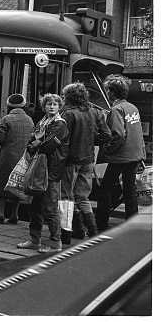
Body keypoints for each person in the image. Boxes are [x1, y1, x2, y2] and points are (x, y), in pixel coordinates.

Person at [60, 83, 111, 243]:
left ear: (69, 97)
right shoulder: (96, 112)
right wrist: (90, 141)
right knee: (83, 196)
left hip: (70, 160)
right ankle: (93, 231)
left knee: (66, 197)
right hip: (88, 158)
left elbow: (63, 139)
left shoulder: (68, 113)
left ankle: (70, 232)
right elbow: (106, 135)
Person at [17, 93, 69, 253]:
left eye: (55, 104)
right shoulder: (43, 122)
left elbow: (47, 146)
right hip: (40, 169)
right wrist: (36, 143)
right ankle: (35, 239)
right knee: (34, 206)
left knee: (50, 208)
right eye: (49, 104)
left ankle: (55, 243)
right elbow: (31, 141)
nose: (52, 107)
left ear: (60, 107)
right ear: (44, 106)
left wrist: (36, 144)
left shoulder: (60, 125)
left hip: (51, 171)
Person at [96, 74, 146, 231]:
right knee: (130, 191)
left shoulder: (116, 109)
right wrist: (141, 154)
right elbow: (137, 133)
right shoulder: (132, 107)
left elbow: (118, 134)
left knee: (105, 190)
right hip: (134, 155)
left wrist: (108, 149)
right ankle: (132, 225)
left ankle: (101, 225)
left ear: (111, 92)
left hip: (120, 156)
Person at [0, 94, 34, 224]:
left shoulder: (6, 119)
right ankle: (14, 214)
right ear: (23, 106)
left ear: (9, 105)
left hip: (8, 155)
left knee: (3, 183)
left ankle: (1, 213)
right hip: (23, 158)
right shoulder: (29, 120)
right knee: (17, 184)